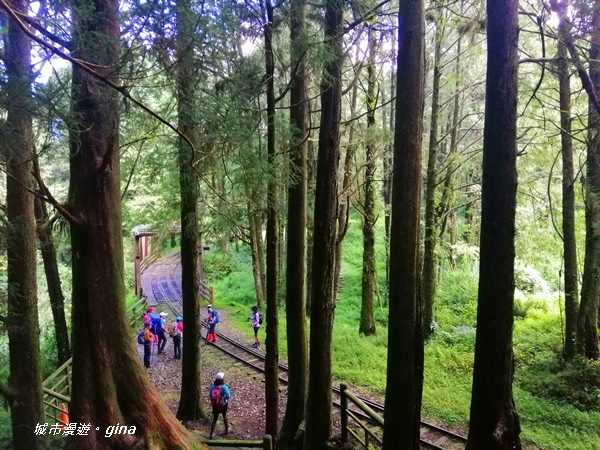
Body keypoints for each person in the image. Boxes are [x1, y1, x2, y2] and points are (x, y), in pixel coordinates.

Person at [208, 372, 230, 439]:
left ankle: (211, 434)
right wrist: (225, 401)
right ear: (222, 379)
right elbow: (228, 396)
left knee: (215, 418)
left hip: (215, 405)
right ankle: (226, 430)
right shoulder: (224, 387)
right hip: (223, 405)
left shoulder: (212, 386)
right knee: (224, 416)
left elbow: (210, 393)